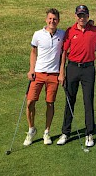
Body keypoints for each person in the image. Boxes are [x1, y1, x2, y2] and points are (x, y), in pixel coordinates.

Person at [57, 5, 96, 147]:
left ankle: (89, 133)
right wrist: (62, 72)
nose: (81, 18)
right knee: (70, 100)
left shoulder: (95, 31)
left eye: (84, 15)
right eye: (79, 15)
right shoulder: (70, 31)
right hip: (72, 68)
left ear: (88, 16)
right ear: (75, 16)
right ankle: (65, 132)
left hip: (88, 69)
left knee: (88, 101)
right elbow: (64, 52)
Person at [23, 8, 65, 146]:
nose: (52, 21)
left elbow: (64, 54)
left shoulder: (62, 34)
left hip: (53, 75)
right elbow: (33, 52)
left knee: (50, 103)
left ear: (58, 21)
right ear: (46, 19)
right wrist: (31, 69)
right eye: (50, 19)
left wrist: (61, 72)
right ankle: (31, 129)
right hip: (38, 74)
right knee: (30, 102)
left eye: (55, 19)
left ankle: (47, 132)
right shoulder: (38, 34)